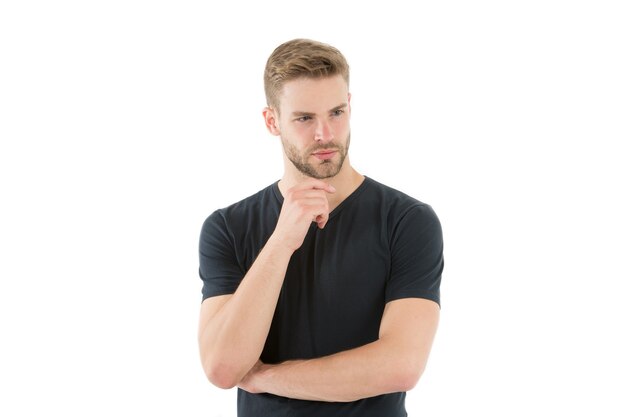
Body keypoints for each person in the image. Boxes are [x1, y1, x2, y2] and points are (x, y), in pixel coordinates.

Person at [197, 38, 443, 416]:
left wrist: (265, 378)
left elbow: (401, 365)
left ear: (350, 106)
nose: (325, 134)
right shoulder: (229, 227)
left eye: (336, 112)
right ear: (272, 121)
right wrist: (281, 242)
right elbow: (222, 366)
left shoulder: (407, 221)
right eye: (304, 118)